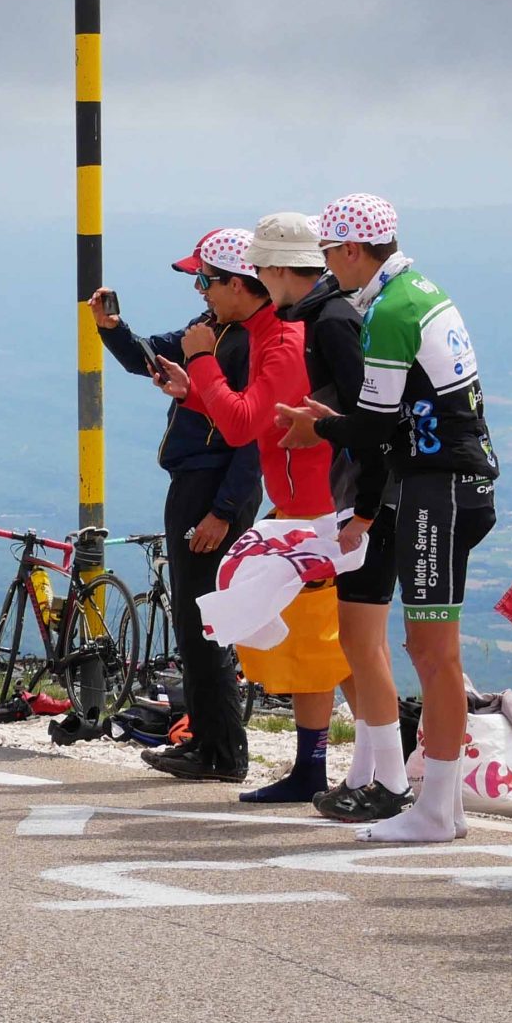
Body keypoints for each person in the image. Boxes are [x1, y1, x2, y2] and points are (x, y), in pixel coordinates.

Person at [277, 194, 498, 846]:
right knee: (434, 653)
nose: (324, 268)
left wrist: (315, 425)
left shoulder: (391, 309)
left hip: (438, 488)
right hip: (453, 483)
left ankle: (432, 810)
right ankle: (446, 807)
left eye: (326, 253)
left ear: (349, 249)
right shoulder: (415, 288)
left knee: (432, 654)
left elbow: (373, 429)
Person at [155, 227, 354, 801]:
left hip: (323, 507)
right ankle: (314, 769)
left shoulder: (285, 339)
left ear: (257, 279)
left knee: (339, 648)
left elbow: (242, 425)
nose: (203, 293)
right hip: (298, 504)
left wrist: (200, 365)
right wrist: (193, 390)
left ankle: (371, 771)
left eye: (210, 282)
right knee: (308, 650)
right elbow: (257, 418)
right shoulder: (266, 333)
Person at [242, 215, 408, 824]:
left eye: (260, 268)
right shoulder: (315, 316)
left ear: (282, 268)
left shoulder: (330, 319)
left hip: (340, 499)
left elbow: (371, 412)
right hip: (335, 496)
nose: (257, 278)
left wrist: (362, 503)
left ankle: (379, 776)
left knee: (348, 644)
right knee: (338, 642)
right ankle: (363, 772)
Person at [93, 231, 265, 782]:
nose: (200, 289)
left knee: (206, 620)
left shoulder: (246, 343)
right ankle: (207, 743)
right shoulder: (211, 329)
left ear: (237, 282)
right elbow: (147, 359)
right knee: (194, 622)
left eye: (206, 280)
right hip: (196, 486)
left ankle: (223, 752)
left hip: (213, 490)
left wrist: (223, 509)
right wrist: (113, 328)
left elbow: (253, 436)